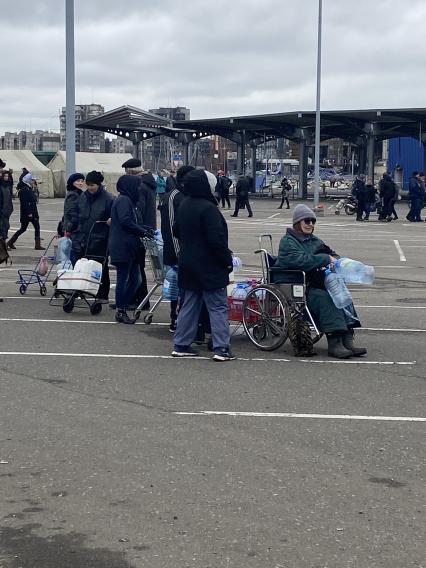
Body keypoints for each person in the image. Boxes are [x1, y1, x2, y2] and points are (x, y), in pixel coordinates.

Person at [273, 204, 367, 359]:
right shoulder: (288, 241)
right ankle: (335, 341)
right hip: (294, 283)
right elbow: (299, 261)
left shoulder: (314, 240)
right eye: (307, 221)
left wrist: (335, 261)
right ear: (298, 222)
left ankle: (347, 339)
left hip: (313, 280)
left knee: (342, 295)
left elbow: (331, 253)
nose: (310, 224)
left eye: (313, 221)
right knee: (325, 297)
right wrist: (324, 259)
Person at [171, 169, 235, 361]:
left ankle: (181, 344)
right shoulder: (209, 208)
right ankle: (221, 347)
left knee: (189, 304)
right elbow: (217, 241)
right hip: (209, 265)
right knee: (217, 306)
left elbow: (176, 231)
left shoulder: (184, 204)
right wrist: (227, 261)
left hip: (188, 262)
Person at [109, 175, 149, 324]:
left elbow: (132, 221)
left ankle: (123, 305)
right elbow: (126, 221)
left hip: (129, 245)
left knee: (135, 279)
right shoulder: (124, 200)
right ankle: (121, 309)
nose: (139, 189)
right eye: (137, 186)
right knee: (124, 279)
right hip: (123, 246)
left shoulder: (128, 200)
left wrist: (145, 229)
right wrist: (142, 231)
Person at [160, 165, 195, 331]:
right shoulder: (173, 197)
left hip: (188, 252)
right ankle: (175, 318)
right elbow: (171, 228)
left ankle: (185, 318)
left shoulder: (187, 195)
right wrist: (178, 254)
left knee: (185, 288)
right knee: (177, 286)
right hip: (176, 252)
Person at [71, 171, 114, 303]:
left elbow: (113, 217)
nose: (90, 188)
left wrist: (109, 222)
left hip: (101, 238)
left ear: (99, 184)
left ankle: (103, 294)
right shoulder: (83, 197)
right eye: (88, 185)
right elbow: (77, 214)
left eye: (92, 185)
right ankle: (84, 289)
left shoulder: (108, 198)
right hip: (83, 236)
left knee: (101, 266)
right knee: (83, 265)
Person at [7, 173, 43, 250]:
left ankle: (11, 242)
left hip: (31, 212)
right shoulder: (24, 190)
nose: (33, 182)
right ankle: (37, 245)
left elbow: (33, 200)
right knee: (28, 228)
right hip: (28, 213)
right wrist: (29, 213)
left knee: (25, 228)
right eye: (32, 180)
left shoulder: (29, 189)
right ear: (28, 181)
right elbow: (25, 203)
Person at [0, 171, 14, 240]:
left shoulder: (8, 186)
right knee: (5, 226)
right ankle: (3, 243)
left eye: (7, 176)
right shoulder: (1, 186)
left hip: (7, 210)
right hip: (2, 210)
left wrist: (11, 208)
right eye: (5, 176)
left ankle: (4, 243)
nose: (6, 177)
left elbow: (10, 198)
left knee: (6, 226)